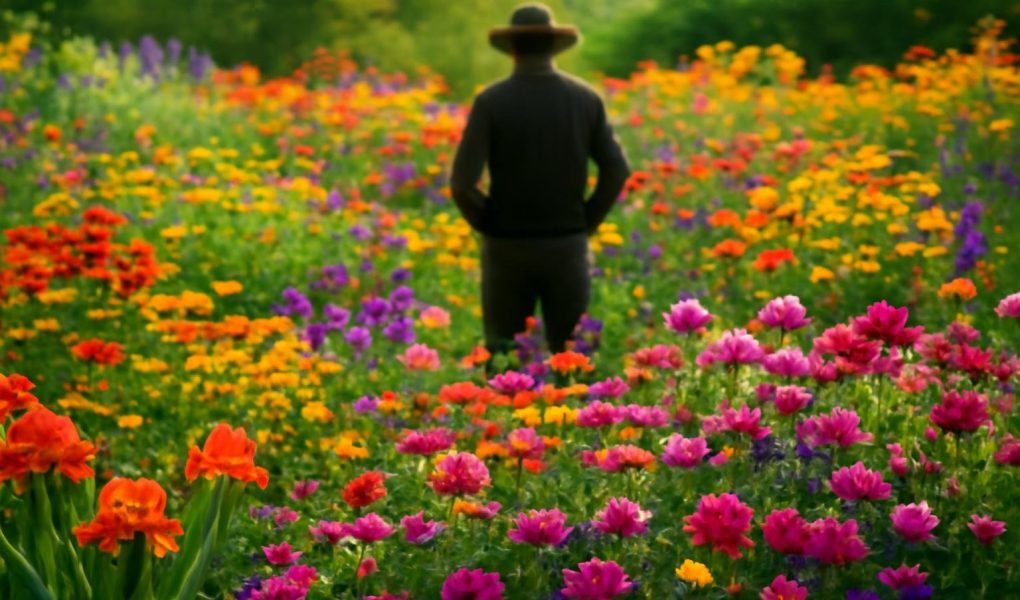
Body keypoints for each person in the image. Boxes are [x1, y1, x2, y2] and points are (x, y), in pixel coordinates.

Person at [450, 2, 631, 358]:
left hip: (506, 248)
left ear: (513, 49)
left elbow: (462, 184)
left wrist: (491, 224)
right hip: (567, 244)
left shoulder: (491, 101)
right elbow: (617, 170)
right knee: (572, 358)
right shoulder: (584, 99)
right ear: (552, 46)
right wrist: (586, 221)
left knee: (504, 357)